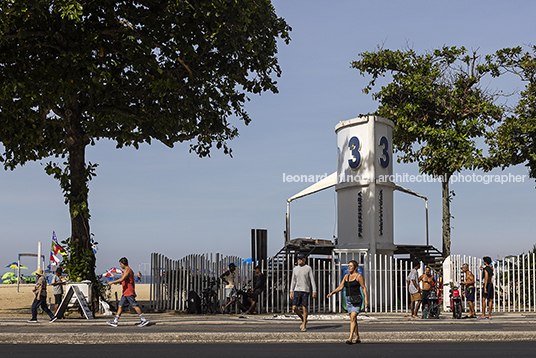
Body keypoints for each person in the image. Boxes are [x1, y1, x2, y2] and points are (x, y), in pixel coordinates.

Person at [327, 260, 369, 344]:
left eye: (351, 266)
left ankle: (350, 337)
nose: (349, 267)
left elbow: (363, 287)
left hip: (356, 299)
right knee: (353, 319)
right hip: (348, 300)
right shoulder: (346, 276)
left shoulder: (358, 276)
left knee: (353, 317)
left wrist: (366, 300)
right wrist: (332, 293)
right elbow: (341, 287)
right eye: (348, 266)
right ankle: (357, 337)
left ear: (355, 267)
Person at [106, 257, 149, 327]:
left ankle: (143, 320)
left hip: (129, 291)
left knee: (134, 306)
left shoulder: (128, 271)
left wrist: (112, 282)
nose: (120, 266)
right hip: (125, 292)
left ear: (123, 263)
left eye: (120, 264)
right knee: (120, 306)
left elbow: (122, 279)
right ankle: (115, 321)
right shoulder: (126, 270)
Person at [290, 254, 317, 332]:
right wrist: (291, 291)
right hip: (297, 289)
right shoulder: (295, 269)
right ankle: (303, 319)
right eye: (298, 259)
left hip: (305, 290)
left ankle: (304, 324)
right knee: (294, 307)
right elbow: (293, 280)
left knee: (304, 307)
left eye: (301, 259)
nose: (299, 260)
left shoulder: (308, 268)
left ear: (304, 260)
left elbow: (312, 280)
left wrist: (314, 290)